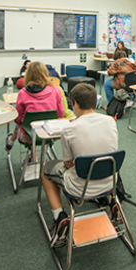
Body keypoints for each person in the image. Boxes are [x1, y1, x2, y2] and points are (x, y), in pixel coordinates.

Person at [41, 84, 119, 218]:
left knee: (45, 170)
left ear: (75, 103)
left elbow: (68, 163)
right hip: (111, 182)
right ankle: (112, 201)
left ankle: (59, 216)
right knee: (101, 159)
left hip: (80, 188)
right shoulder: (110, 121)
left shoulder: (68, 129)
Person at [11, 62, 67, 145]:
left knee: (20, 124)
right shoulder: (56, 90)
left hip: (28, 135)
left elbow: (17, 119)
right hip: (50, 133)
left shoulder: (22, 93)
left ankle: (11, 141)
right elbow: (61, 113)